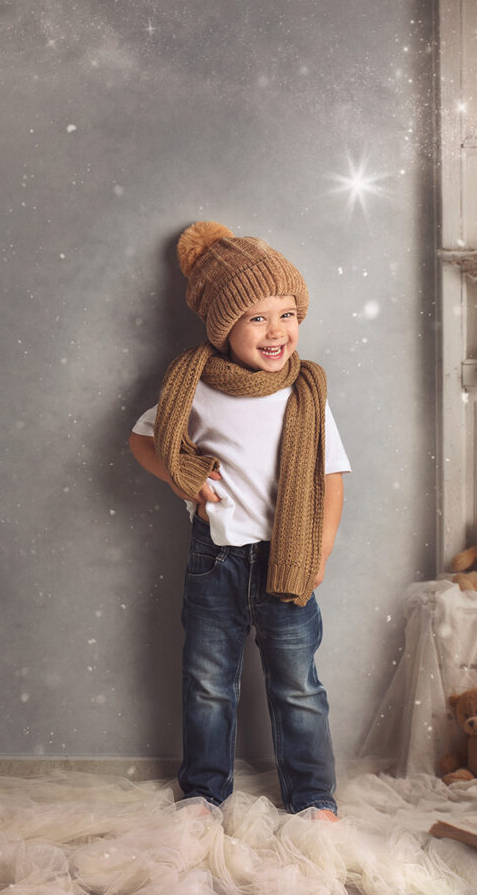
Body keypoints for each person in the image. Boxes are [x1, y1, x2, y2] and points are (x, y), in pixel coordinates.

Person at [128, 221, 350, 820]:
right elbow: (143, 440)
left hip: (289, 556)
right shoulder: (193, 388)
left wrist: (321, 552)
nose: (276, 330)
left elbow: (331, 477)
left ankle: (313, 798)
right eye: (256, 318)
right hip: (217, 559)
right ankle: (203, 791)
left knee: (298, 686)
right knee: (207, 682)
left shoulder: (303, 392)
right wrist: (184, 478)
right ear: (224, 327)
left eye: (286, 313)